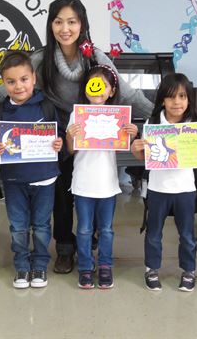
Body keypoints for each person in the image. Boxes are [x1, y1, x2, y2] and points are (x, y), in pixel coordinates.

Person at [0, 0, 153, 273]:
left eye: (72, 21)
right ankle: (65, 249)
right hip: (55, 135)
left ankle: (91, 242)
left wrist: (166, 116)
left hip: (90, 136)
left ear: (82, 24)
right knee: (59, 195)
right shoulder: (40, 58)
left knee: (93, 190)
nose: (65, 28)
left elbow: (128, 94)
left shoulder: (95, 56)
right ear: (51, 24)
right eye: (58, 21)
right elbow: (0, 92)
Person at [131, 73, 197, 292]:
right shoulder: (153, 123)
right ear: (162, 100)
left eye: (182, 96)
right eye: (171, 97)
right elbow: (145, 158)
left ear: (189, 100)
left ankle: (189, 270)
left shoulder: (195, 124)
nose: (177, 102)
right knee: (154, 232)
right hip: (158, 189)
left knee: (187, 234)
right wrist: (136, 150)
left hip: (185, 189)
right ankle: (151, 268)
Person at [0, 50, 63, 289]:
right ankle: (21, 264)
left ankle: (40, 264)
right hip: (13, 181)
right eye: (11, 81)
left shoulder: (47, 107)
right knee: (18, 226)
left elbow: (59, 136)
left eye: (23, 79)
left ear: (34, 79)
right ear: (4, 83)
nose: (18, 86)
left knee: (41, 225)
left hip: (45, 179)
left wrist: (59, 142)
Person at [66, 65, 138, 289]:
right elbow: (71, 150)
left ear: (112, 91)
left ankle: (105, 265)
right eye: (93, 85)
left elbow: (122, 147)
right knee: (85, 228)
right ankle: (86, 267)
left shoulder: (118, 117)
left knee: (106, 229)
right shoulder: (76, 115)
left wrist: (131, 134)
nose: (97, 90)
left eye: (103, 86)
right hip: (83, 183)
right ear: (86, 88)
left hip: (107, 184)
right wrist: (71, 136)